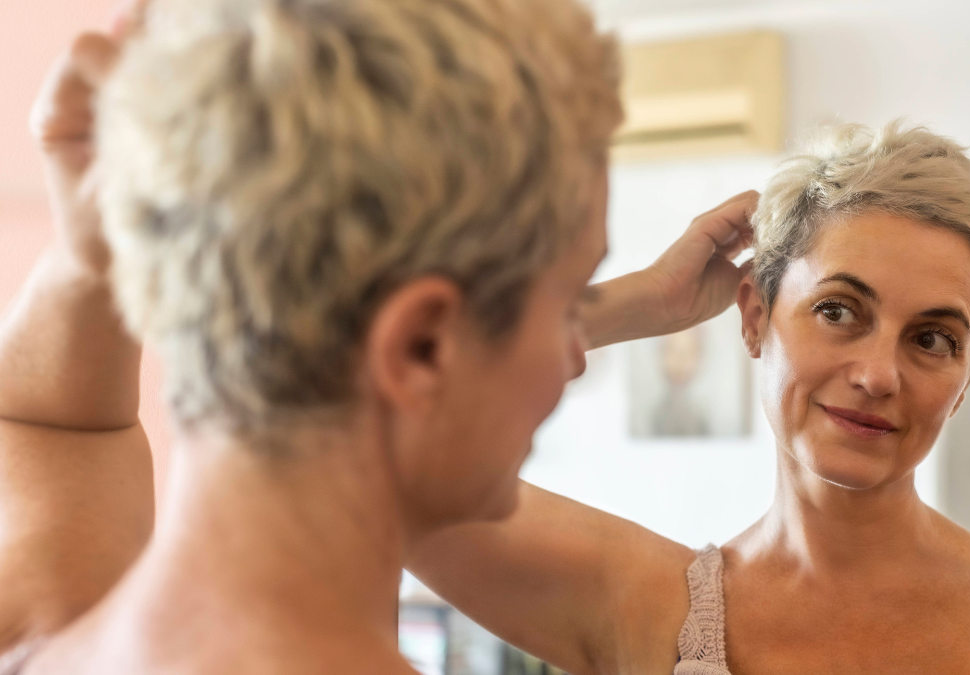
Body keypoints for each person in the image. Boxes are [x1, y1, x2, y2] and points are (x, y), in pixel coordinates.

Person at [0, 0, 755, 672]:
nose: (573, 354)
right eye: (564, 306)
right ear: (421, 347)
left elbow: (47, 421)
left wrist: (92, 250)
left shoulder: (39, 634)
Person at [405, 122, 970, 675]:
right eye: (838, 310)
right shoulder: (648, 606)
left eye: (931, 338)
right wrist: (633, 304)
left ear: (968, 380)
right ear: (756, 319)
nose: (878, 376)